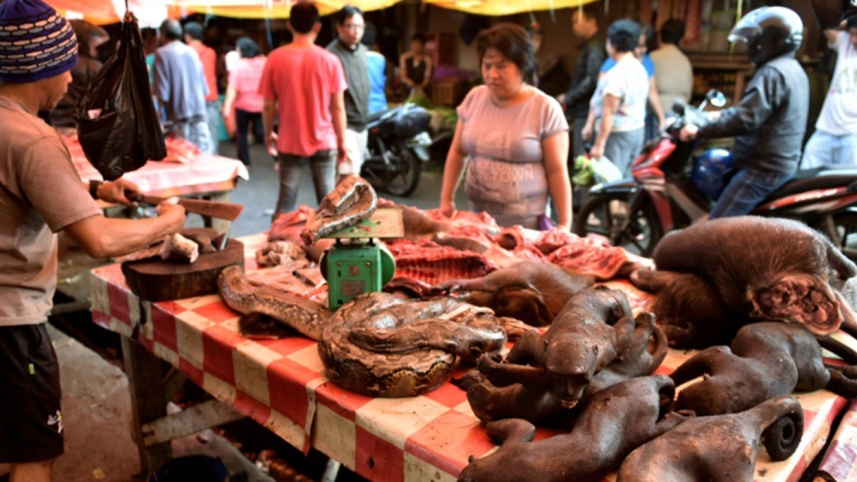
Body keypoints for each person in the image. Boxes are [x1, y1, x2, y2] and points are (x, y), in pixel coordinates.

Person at [0, 2, 185, 480]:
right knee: (32, 456)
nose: (72, 79)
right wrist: (169, 221)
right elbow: (99, 240)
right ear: (42, 65)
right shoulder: (32, 137)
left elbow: (19, 190)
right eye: (68, 63)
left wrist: (96, 190)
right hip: (10, 326)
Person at [439, 23, 572, 231]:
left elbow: (557, 170)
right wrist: (446, 200)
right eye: (487, 65)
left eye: (501, 66)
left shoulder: (545, 108)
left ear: (522, 65)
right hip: (479, 222)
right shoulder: (474, 98)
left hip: (528, 227)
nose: (492, 74)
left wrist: (565, 223)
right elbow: (457, 152)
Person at [680, 6, 808, 219]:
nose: (750, 45)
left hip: (762, 168)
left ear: (768, 40)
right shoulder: (793, 69)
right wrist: (718, 116)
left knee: (714, 230)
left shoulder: (771, 73)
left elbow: (746, 120)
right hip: (779, 163)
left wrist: (699, 129)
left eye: (753, 39)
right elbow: (754, 112)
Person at [259, 2, 347, 216]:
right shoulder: (330, 60)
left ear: (289, 26)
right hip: (325, 139)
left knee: (286, 199)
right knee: (328, 203)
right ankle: (329, 248)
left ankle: (275, 246)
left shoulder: (275, 58)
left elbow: (269, 104)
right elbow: (338, 107)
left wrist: (269, 132)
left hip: (289, 140)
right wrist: (342, 141)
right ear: (317, 26)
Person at [582, 20, 649, 177]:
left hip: (617, 136)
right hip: (636, 131)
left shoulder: (616, 75)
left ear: (612, 44)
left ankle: (614, 203)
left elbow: (609, 112)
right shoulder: (639, 69)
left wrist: (599, 144)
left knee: (611, 182)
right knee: (626, 181)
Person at [802, 9, 857, 168]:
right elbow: (827, 27)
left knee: (848, 182)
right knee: (806, 174)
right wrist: (850, 21)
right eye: (852, 33)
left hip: (853, 133)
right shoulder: (846, 44)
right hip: (826, 128)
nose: (853, 39)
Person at [598, 23, 666, 144]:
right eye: (639, 46)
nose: (642, 50)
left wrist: (599, 144)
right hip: (627, 129)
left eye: (644, 46)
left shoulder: (640, 65)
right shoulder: (617, 66)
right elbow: (599, 99)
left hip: (626, 129)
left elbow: (652, 92)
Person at [152, 19, 213, 154]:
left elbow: (162, 92)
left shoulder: (162, 53)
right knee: (201, 159)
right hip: (200, 116)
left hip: (179, 120)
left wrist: (158, 117)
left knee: (182, 161)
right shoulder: (191, 52)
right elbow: (203, 88)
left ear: (162, 34)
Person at [327, 6, 370, 181]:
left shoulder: (362, 50)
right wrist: (339, 134)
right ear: (339, 27)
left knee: (347, 176)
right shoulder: (331, 54)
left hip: (362, 123)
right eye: (351, 26)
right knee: (351, 176)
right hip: (345, 125)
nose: (356, 31)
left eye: (360, 27)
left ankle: (332, 207)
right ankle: (339, 208)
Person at [557, 5, 606, 159]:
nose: (574, 26)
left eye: (577, 21)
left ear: (591, 22)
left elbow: (592, 80)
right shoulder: (590, 46)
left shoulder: (595, 47)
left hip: (586, 112)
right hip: (583, 110)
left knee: (582, 160)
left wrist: (568, 97)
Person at [51, 20, 108, 128]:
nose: (95, 49)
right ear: (83, 43)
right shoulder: (93, 67)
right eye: (93, 45)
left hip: (55, 124)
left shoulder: (56, 63)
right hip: (80, 127)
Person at [222, 37, 266, 167]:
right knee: (264, 132)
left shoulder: (238, 65)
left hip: (243, 105)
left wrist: (227, 107)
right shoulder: (264, 62)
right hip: (261, 105)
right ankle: (278, 158)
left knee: (241, 134)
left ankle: (245, 162)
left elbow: (232, 89)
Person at [184, 22, 220, 155]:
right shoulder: (211, 52)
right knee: (212, 133)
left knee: (193, 135)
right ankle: (213, 160)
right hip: (210, 97)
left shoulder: (184, 52)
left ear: (187, 36)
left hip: (192, 99)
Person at [650, 19, 693, 116]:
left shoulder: (653, 56)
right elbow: (689, 93)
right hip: (681, 111)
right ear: (681, 39)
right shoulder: (685, 60)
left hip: (657, 111)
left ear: (660, 36)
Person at [363, 25, 388, 114]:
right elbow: (384, 81)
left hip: (363, 109)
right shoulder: (381, 58)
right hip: (381, 106)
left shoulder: (355, 58)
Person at [399, 33, 433, 97]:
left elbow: (427, 78)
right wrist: (409, 82)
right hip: (408, 88)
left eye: (418, 44)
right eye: (414, 44)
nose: (415, 46)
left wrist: (419, 88)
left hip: (422, 90)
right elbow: (403, 75)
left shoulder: (427, 60)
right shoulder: (405, 57)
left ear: (423, 46)